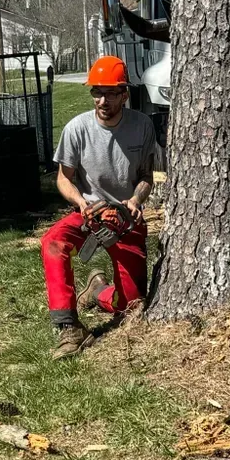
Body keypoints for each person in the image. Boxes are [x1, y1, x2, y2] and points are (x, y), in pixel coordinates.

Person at [41, 56, 156, 359]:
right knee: (53, 242)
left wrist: (136, 200)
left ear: (124, 94)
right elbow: (63, 179)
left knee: (130, 306)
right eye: (96, 92)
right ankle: (69, 327)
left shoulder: (142, 126)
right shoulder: (76, 129)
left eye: (111, 93)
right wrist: (80, 202)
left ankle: (97, 291)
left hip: (125, 219)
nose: (103, 100)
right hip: (90, 214)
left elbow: (146, 177)